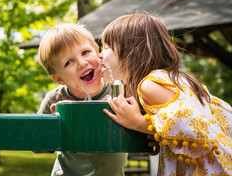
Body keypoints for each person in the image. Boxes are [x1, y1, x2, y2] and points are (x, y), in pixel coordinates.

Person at [100, 12, 232, 175]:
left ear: (130, 52)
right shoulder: (175, 79)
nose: (100, 54)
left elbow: (190, 121)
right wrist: (159, 135)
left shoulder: (148, 84)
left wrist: (138, 122)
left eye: (106, 48)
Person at [37, 23, 128, 176]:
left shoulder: (119, 91)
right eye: (68, 62)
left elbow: (142, 129)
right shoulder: (56, 99)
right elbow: (37, 144)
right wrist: (57, 124)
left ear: (98, 53)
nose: (81, 63)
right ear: (59, 79)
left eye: (85, 52)